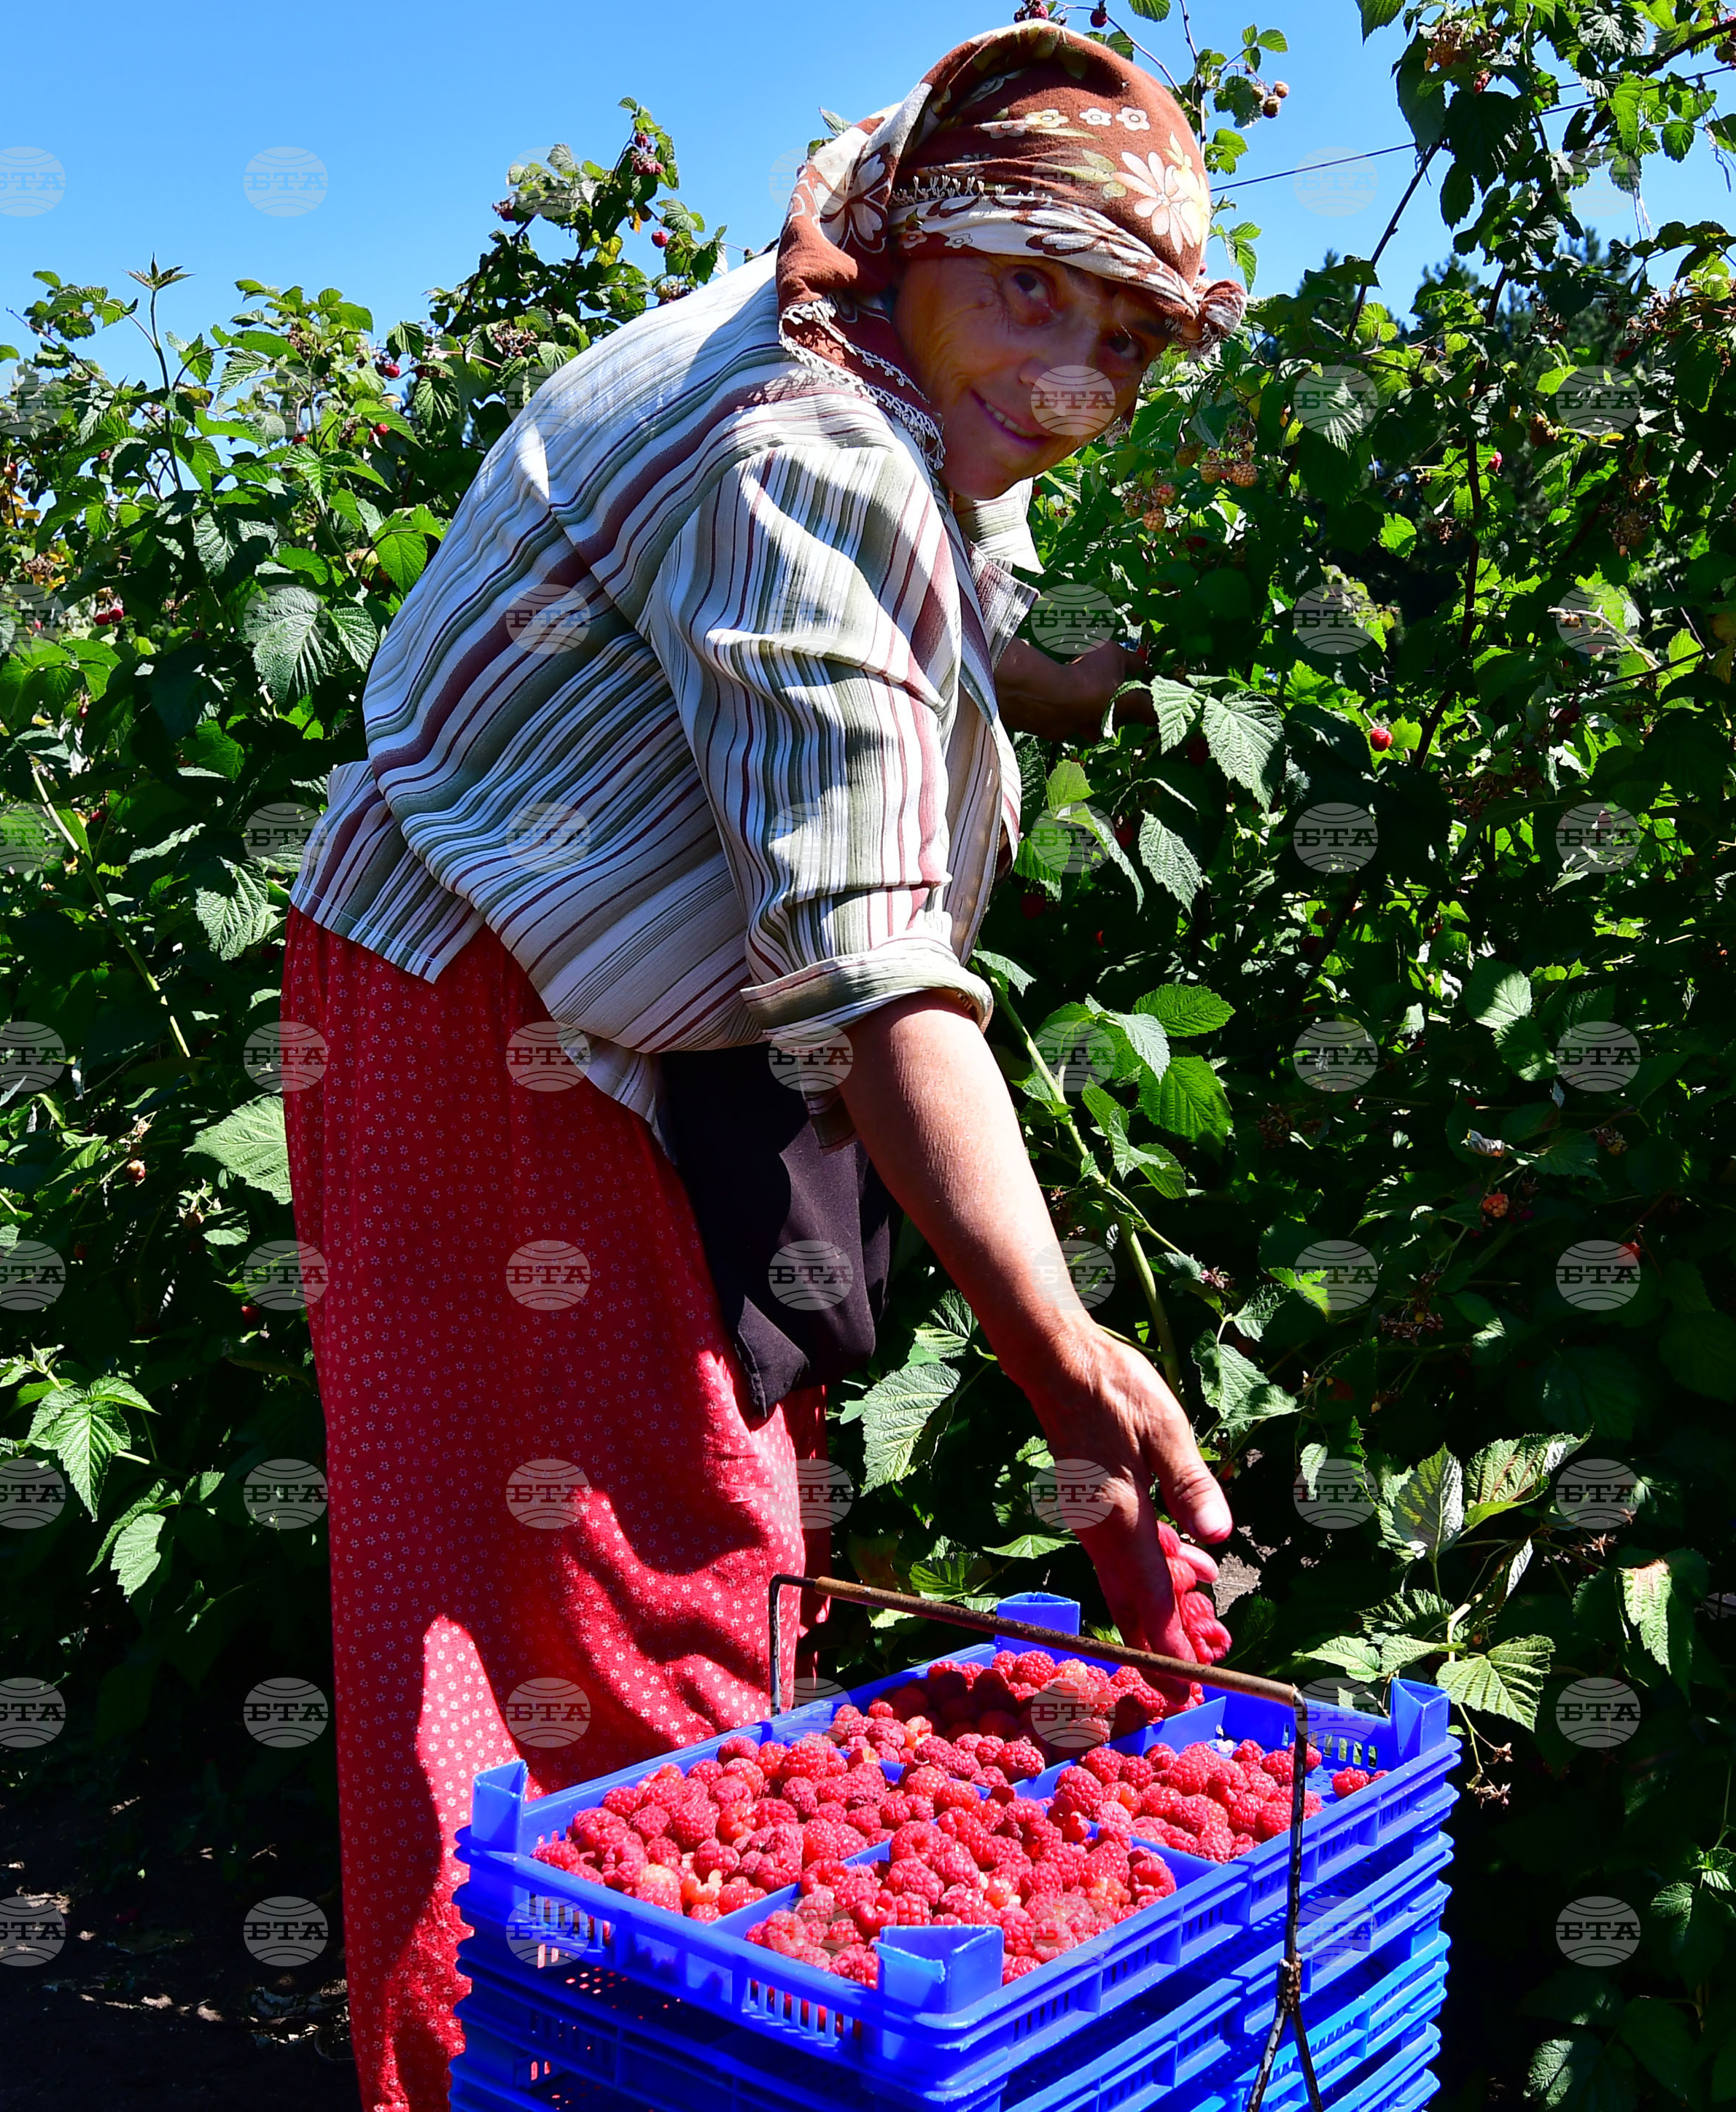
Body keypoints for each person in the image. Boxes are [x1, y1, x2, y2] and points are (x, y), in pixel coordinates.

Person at [279, 20, 1248, 2111]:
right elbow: (880, 973)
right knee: (565, 1627)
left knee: (701, 1546)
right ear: (919, 245)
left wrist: (1043, 672)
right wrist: (1064, 1347)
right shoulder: (804, 449)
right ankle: (540, 2060)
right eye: (1031, 297)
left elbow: (932, 594)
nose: (1075, 382)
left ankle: (658, 2028)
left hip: (615, 1016)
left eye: (1129, 341)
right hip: (486, 1014)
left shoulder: (863, 357)